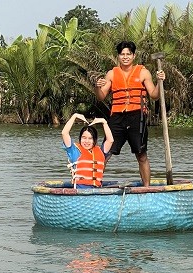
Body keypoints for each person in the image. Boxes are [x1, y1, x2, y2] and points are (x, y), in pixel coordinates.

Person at [95, 41, 165, 186]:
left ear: (133, 56)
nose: (125, 57)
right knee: (105, 153)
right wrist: (97, 87)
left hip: (137, 117)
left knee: (141, 155)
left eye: (128, 54)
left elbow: (154, 95)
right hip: (117, 117)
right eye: (122, 54)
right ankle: (94, 184)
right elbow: (101, 96)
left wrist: (160, 82)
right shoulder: (112, 74)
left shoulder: (143, 72)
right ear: (118, 56)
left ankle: (147, 188)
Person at [62, 113, 114, 188]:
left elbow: (110, 140)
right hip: (80, 189)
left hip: (97, 190)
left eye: (90, 138)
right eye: (84, 138)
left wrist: (104, 122)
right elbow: (64, 133)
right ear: (80, 138)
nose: (86, 141)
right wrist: (74, 116)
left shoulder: (101, 151)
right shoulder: (74, 150)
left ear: (94, 140)